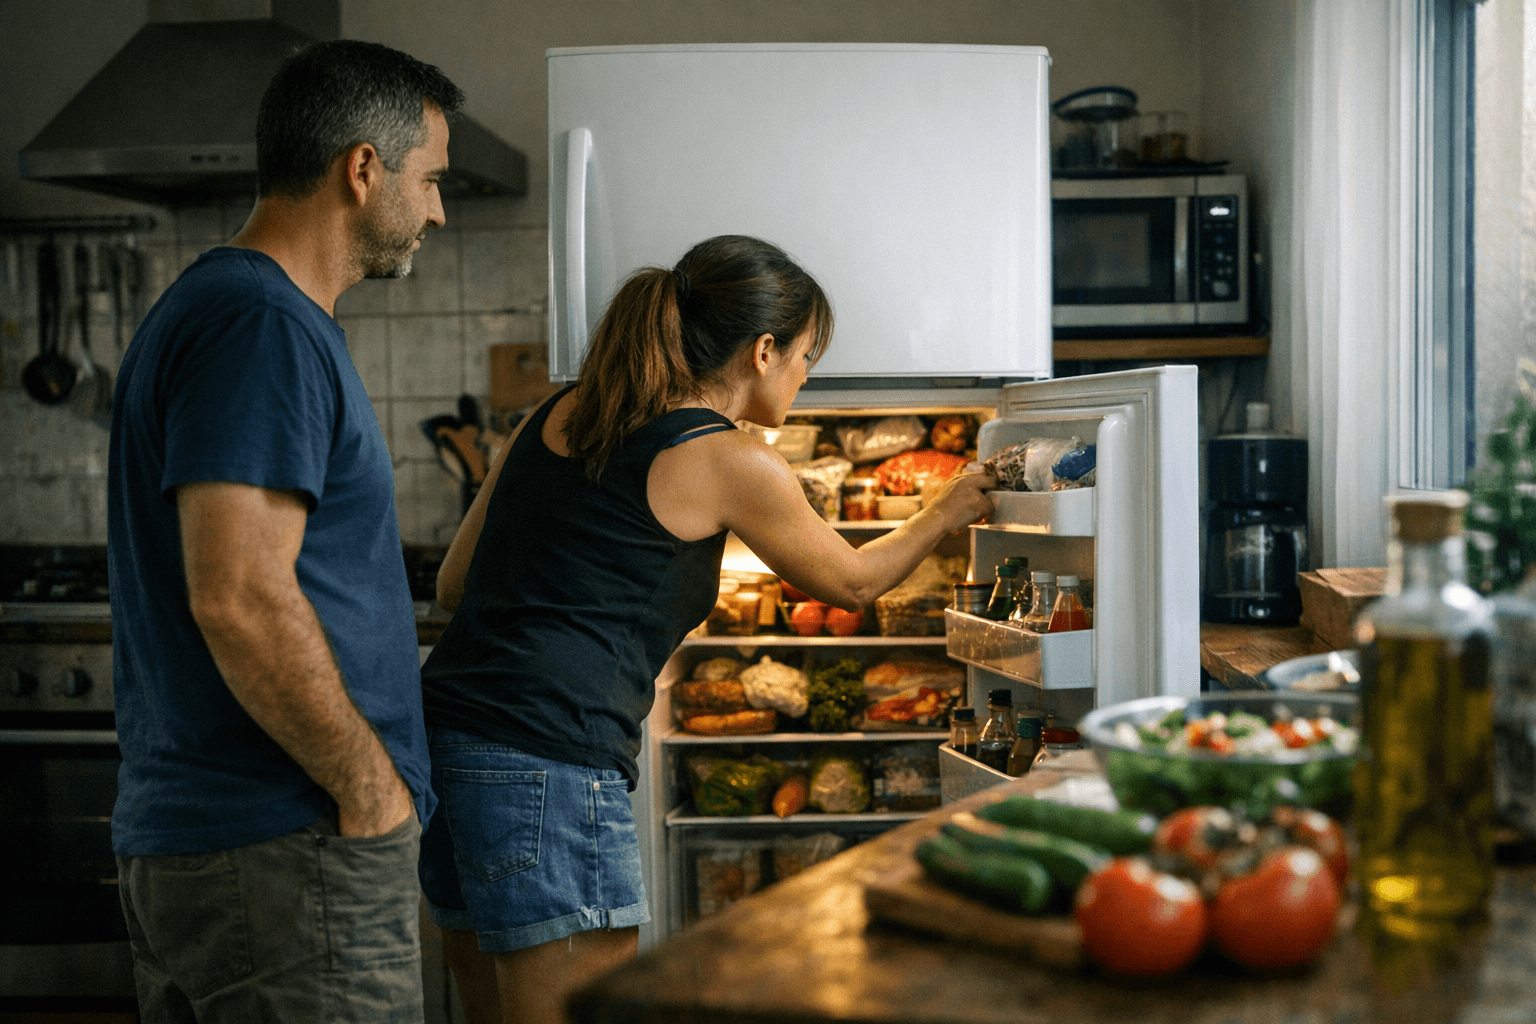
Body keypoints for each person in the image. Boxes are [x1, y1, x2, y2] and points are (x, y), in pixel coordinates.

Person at [418, 234, 996, 1024]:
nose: (804, 375)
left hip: (445, 746)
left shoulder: (553, 413)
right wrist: (952, 505)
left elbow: (454, 585)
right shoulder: (726, 457)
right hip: (550, 758)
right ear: (762, 350)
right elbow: (854, 581)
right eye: (804, 356)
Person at [107, 40, 463, 1023]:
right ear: (361, 168)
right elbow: (239, 591)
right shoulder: (258, 323)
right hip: (287, 842)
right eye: (430, 178)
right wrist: (371, 789)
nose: (437, 208)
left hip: (244, 847)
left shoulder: (243, 313)